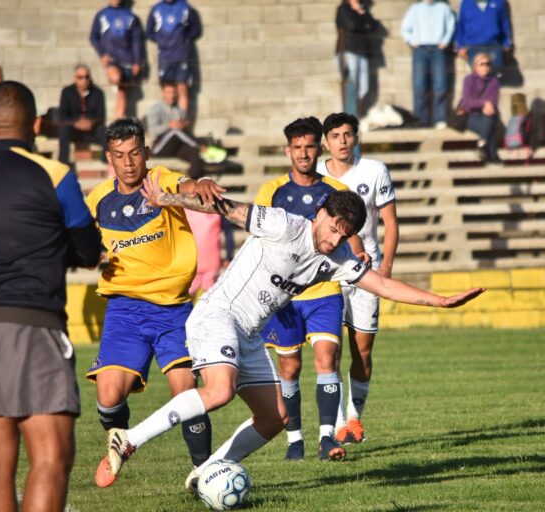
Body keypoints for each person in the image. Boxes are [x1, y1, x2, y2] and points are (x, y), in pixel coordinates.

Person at [99, 180, 484, 493]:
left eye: (345, 237)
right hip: (219, 314)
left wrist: (440, 301)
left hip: (249, 333)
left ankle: (208, 472)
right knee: (220, 390)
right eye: (333, 230)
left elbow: (382, 285)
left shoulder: (337, 258)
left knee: (275, 418)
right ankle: (129, 439)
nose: (335, 241)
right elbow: (224, 207)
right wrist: (166, 199)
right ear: (321, 214)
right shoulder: (284, 225)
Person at [0, 81, 101, 512]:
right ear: (35, 125)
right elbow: (88, 250)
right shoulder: (54, 174)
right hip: (31, 321)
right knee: (50, 457)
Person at [86, 118, 225, 488]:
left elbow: (186, 185)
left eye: (134, 153)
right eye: (119, 155)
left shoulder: (159, 179)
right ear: (109, 158)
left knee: (186, 389)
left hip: (173, 309)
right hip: (125, 309)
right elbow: (84, 244)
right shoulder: (98, 199)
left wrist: (201, 183)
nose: (128, 162)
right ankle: (118, 443)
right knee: (108, 395)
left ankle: (204, 471)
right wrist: (92, 255)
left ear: (145, 152)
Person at [255, 116, 360, 461]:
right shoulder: (271, 191)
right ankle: (295, 440)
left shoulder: (336, 191)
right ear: (287, 150)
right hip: (284, 296)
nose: (303, 153)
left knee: (327, 358)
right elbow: (258, 239)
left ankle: (327, 437)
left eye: (310, 146)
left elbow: (350, 233)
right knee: (290, 368)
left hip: (324, 291)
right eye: (297, 147)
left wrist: (359, 253)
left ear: (320, 148)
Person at [317, 112, 398, 445]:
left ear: (356, 137)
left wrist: (386, 268)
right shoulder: (317, 175)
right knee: (330, 350)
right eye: (335, 136)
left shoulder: (375, 171)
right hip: (328, 273)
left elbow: (391, 223)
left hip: (367, 271)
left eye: (348, 134)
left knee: (362, 351)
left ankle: (354, 417)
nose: (342, 141)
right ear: (326, 142)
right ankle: (338, 423)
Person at [145, 81, 239, 178]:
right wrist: (170, 125)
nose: (172, 95)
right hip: (160, 148)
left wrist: (183, 124)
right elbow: (153, 131)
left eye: (174, 92)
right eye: (169, 92)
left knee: (194, 151)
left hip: (177, 146)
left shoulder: (178, 109)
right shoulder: (155, 109)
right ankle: (202, 145)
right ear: (163, 93)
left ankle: (197, 178)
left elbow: (183, 130)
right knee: (175, 132)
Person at [400, 0, 456, 129]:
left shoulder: (443, 8)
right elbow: (405, 29)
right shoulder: (415, 9)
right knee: (419, 84)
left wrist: (445, 42)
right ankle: (421, 119)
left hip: (438, 49)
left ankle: (440, 118)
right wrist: (411, 41)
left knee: (440, 84)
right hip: (420, 49)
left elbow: (451, 26)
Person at [90, 0, 144, 119]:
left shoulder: (131, 16)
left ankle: (119, 120)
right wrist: (103, 54)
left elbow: (137, 40)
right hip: (112, 60)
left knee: (122, 91)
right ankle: (120, 119)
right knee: (116, 78)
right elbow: (93, 37)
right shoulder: (102, 15)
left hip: (127, 59)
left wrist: (137, 61)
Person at [146, 0, 201, 116]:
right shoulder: (156, 9)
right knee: (168, 90)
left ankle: (181, 123)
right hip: (165, 57)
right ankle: (168, 123)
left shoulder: (185, 8)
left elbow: (196, 30)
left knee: (182, 88)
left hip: (182, 56)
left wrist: (183, 41)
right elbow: (149, 32)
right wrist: (163, 41)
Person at [58, 64, 107, 166]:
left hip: (92, 130)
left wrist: (90, 122)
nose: (84, 80)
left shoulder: (98, 93)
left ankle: (105, 162)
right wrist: (76, 123)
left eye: (86, 77)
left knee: (105, 130)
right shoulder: (67, 92)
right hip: (73, 129)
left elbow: (101, 116)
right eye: (80, 77)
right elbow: (62, 116)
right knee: (63, 129)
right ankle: (63, 163)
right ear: (75, 78)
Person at [335, 0, 377, 118]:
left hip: (362, 51)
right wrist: (365, 27)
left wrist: (361, 12)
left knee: (364, 87)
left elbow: (374, 26)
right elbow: (351, 26)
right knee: (351, 84)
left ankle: (356, 114)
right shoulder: (343, 9)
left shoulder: (362, 9)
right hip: (348, 50)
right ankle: (351, 117)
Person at [460, 52, 501, 165]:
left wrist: (486, 105)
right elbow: (467, 103)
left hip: (486, 116)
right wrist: (484, 103)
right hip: (470, 117)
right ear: (475, 67)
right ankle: (493, 158)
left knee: (489, 118)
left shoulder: (494, 82)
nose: (485, 66)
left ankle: (482, 146)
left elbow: (493, 103)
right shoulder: (469, 80)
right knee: (490, 125)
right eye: (481, 64)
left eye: (487, 64)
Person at [454, 0, 512, 76]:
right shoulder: (465, 3)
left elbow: (504, 23)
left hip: (493, 45)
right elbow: (460, 25)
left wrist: (506, 43)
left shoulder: (498, 2)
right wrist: (459, 45)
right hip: (473, 46)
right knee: (479, 75)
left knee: (494, 73)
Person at [185, 209, 222, 298]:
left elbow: (228, 232)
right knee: (190, 295)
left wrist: (228, 255)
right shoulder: (185, 209)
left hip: (210, 262)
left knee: (209, 295)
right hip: (193, 261)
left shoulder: (215, 208)